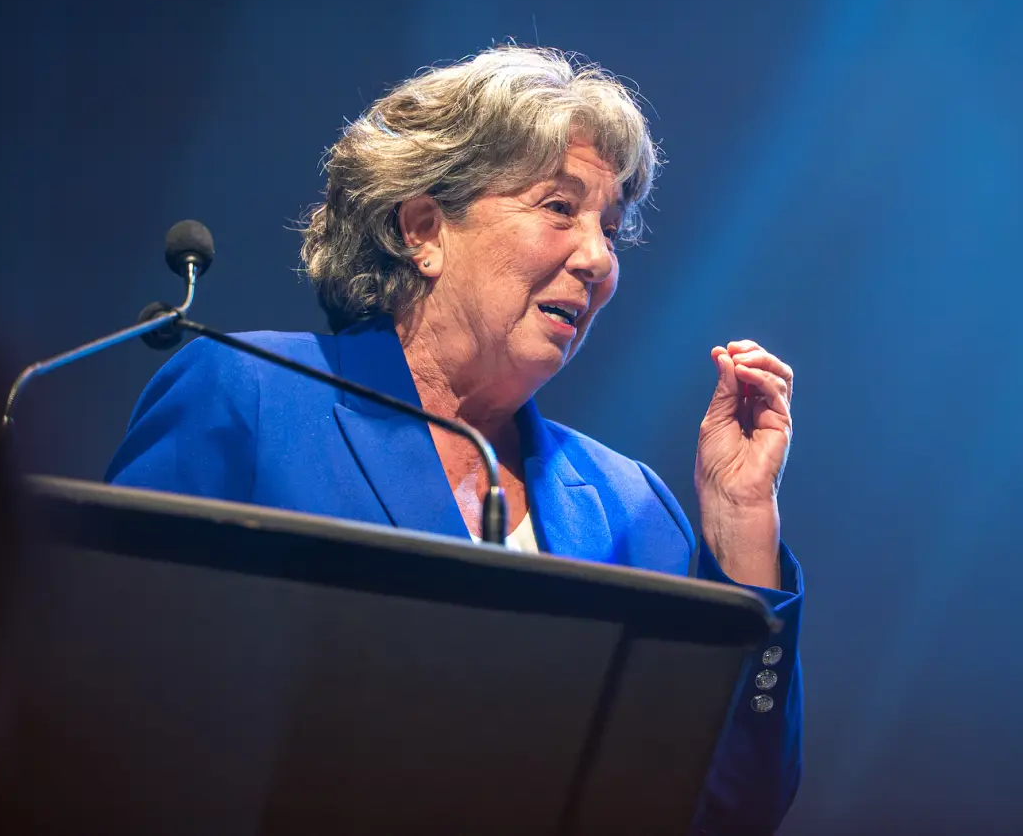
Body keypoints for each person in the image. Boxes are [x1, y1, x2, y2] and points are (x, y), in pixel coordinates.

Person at [107, 46, 803, 833]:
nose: (597, 258)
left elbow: (730, 806)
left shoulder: (629, 506)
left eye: (610, 228)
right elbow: (118, 705)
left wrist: (741, 526)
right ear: (424, 228)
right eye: (558, 208)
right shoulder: (247, 396)